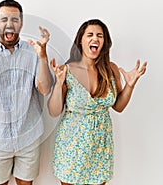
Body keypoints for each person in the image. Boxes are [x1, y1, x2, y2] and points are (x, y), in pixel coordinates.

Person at [47, 19, 147, 185]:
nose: (95, 39)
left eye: (100, 36)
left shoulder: (111, 69)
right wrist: (58, 84)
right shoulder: (67, 69)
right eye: (90, 35)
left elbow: (119, 107)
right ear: (81, 40)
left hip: (101, 145)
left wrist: (130, 85)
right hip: (72, 145)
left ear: (104, 42)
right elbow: (54, 110)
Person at [0, 0, 53, 185]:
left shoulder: (34, 51)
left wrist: (43, 57)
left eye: (15, 20)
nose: (9, 24)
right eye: (4, 19)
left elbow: (45, 89)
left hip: (29, 134)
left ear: (21, 23)